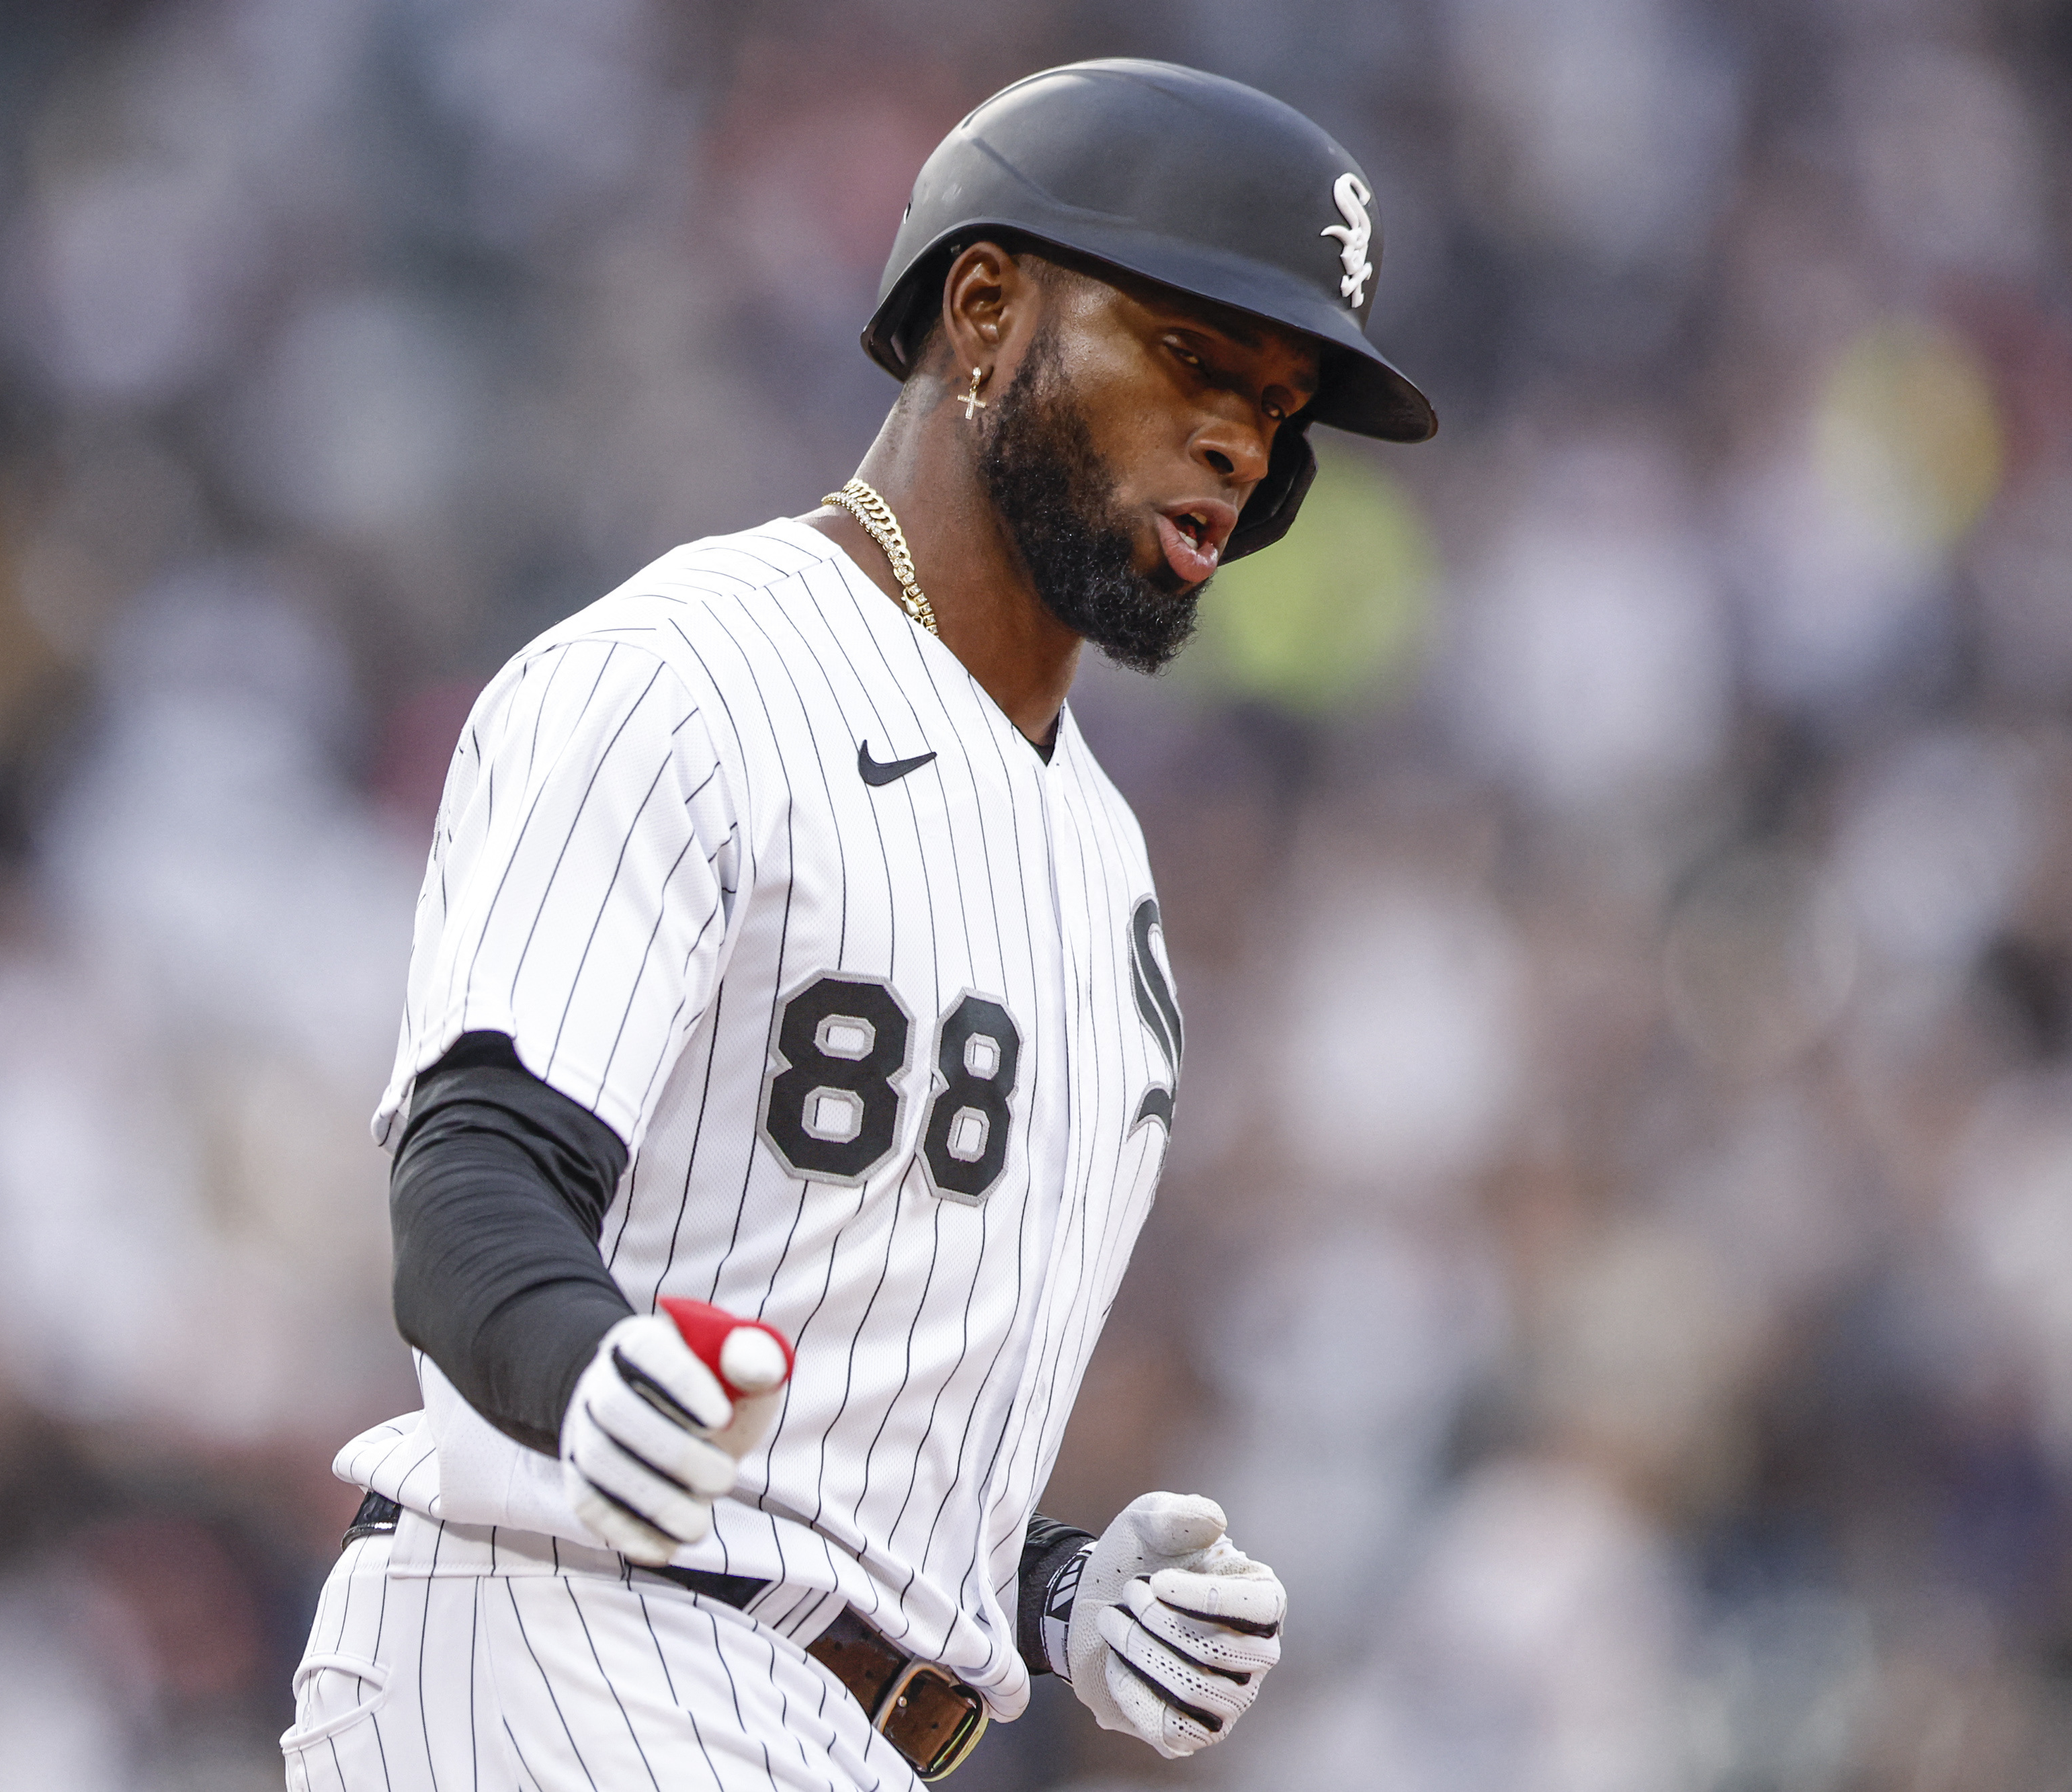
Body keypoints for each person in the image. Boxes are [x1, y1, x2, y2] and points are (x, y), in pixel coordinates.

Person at [280, 58, 1436, 1791]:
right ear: (984, 308)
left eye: (1279, 407)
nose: (1241, 441)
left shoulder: (1105, 859)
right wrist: (595, 1371)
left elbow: (847, 1381)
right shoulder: (683, 678)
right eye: (1196, 357)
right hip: (562, 1643)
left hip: (821, 1725)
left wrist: (1047, 1593)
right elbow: (467, 1184)